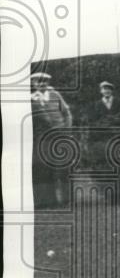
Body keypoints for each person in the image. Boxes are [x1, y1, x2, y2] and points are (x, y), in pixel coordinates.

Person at [30, 72, 73, 206]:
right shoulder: (31, 98)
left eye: (45, 82)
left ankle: (67, 200)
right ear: (33, 83)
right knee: (44, 169)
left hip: (61, 135)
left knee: (64, 168)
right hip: (42, 138)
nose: (42, 84)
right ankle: (48, 201)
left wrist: (67, 130)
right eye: (39, 82)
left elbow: (67, 114)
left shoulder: (55, 94)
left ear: (48, 83)